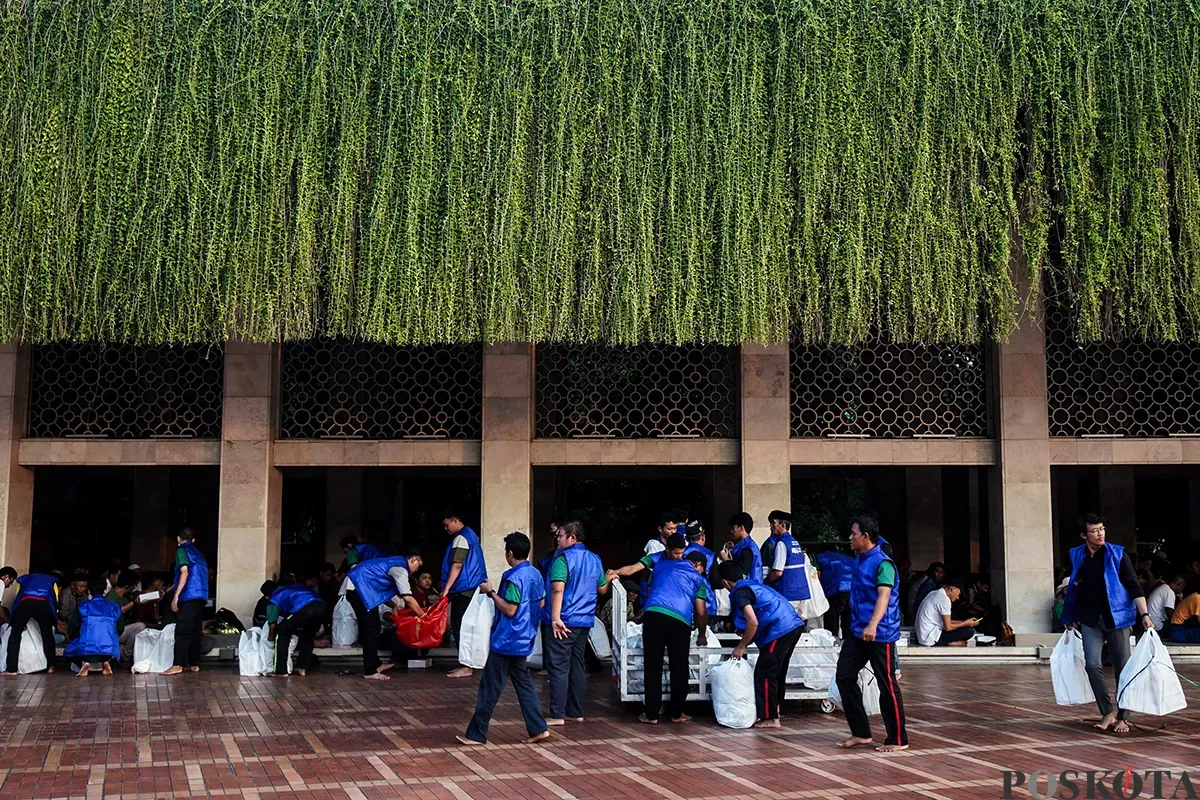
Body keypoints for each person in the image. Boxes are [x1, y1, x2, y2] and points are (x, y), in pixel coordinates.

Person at [1060, 512, 1153, 734]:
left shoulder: (1117, 554)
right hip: (1091, 618)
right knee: (1092, 664)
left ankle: (1124, 716)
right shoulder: (1077, 555)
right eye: (1095, 530)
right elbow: (1075, 586)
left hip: (1118, 617)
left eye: (1102, 529)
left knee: (1123, 667)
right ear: (1084, 535)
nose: (1100, 533)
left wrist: (1145, 615)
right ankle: (1107, 711)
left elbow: (1133, 586)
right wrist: (1070, 615)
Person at [456, 532, 550, 746]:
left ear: (510, 553)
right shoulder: (535, 574)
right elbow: (541, 603)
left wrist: (490, 593)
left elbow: (509, 610)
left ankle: (476, 734)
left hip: (507, 640)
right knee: (524, 685)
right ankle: (538, 728)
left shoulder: (513, 577)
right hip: (524, 638)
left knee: (490, 688)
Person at [611, 544, 708, 725]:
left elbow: (650, 592)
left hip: (653, 615)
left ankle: (651, 715)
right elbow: (701, 611)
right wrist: (702, 633)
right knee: (679, 666)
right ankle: (677, 714)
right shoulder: (697, 578)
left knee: (652, 665)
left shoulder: (660, 566)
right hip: (680, 621)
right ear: (697, 565)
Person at [835, 515, 908, 752]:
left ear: (866, 536)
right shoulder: (859, 560)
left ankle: (898, 739)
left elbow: (884, 596)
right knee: (844, 676)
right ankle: (861, 733)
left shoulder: (883, 563)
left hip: (880, 633)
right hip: (858, 631)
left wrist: (873, 624)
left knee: (886, 683)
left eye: (853, 534)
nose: (850, 538)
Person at [719, 560, 805, 727]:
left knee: (765, 673)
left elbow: (753, 622)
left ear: (725, 582)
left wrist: (741, 647)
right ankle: (776, 709)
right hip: (792, 625)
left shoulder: (739, 592)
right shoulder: (752, 585)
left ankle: (770, 717)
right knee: (777, 671)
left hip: (779, 629)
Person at [543, 520, 609, 726]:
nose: (558, 539)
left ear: (572, 537)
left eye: (560, 535)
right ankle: (575, 711)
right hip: (584, 621)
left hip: (564, 620)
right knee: (577, 665)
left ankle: (556, 714)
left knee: (559, 667)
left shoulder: (563, 558)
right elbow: (602, 589)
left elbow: (557, 589)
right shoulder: (594, 559)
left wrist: (555, 618)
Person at [344, 549, 425, 680]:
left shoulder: (393, 563)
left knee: (374, 626)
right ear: (414, 559)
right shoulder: (400, 568)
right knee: (371, 629)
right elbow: (408, 597)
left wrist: (393, 605)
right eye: (418, 566)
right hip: (358, 587)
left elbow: (378, 590)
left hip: (361, 587)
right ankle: (370, 671)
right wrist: (423, 615)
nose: (417, 570)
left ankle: (376, 664)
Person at [441, 509, 489, 679]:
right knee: (465, 626)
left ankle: (466, 665)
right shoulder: (472, 536)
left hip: (464, 588)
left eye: (447, 525)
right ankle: (465, 663)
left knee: (461, 626)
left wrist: (446, 588)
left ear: (455, 520)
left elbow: (457, 564)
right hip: (471, 587)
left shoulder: (461, 538)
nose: (446, 529)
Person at [164, 528, 210, 676]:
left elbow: (184, 572)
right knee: (195, 629)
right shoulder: (199, 554)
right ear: (193, 540)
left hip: (188, 594)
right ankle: (193, 663)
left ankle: (178, 664)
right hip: (201, 595)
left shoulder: (181, 550)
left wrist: (176, 595)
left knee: (183, 629)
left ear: (178, 539)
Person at [0, 567, 58, 675]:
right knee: (47, 635)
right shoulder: (51, 580)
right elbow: (54, 598)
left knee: (15, 635)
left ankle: (11, 669)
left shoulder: (24, 578)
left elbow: (18, 595)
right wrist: (54, 617)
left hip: (25, 603)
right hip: (43, 604)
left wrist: (15, 617)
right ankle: (51, 666)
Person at [265, 580, 327, 677]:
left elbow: (272, 623)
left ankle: (280, 671)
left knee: (281, 631)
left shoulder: (275, 596)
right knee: (308, 634)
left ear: (266, 596)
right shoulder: (292, 587)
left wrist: (271, 636)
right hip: (321, 606)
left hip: (304, 607)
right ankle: (302, 668)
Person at [65, 577, 122, 677]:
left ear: (89, 591)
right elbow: (121, 628)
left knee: (70, 651)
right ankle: (105, 662)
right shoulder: (114, 607)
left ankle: (85, 663)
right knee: (110, 649)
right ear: (105, 591)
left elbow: (72, 629)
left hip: (86, 651)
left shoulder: (82, 606)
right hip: (108, 651)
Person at [762, 510, 811, 611]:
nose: (770, 526)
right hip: (801, 592)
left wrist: (765, 581)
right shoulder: (794, 542)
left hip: (788, 592)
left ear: (782, 525)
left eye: (773, 523)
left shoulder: (781, 543)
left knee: (786, 624)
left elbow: (778, 572)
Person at [914, 582, 979, 647]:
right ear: (953, 589)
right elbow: (948, 627)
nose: (958, 598)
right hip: (930, 638)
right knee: (969, 631)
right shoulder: (944, 599)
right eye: (958, 594)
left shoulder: (934, 593)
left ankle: (949, 641)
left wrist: (966, 621)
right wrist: (966, 623)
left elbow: (946, 621)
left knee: (965, 627)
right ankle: (947, 642)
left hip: (923, 636)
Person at [683, 523, 720, 621]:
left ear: (686, 538)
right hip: (706, 605)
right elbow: (716, 582)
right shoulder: (710, 555)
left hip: (684, 605)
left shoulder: (679, 554)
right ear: (703, 537)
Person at [108, 570, 146, 662]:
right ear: (127, 586)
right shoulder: (111, 596)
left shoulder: (125, 597)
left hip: (119, 630)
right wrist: (134, 603)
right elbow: (116, 612)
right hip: (111, 633)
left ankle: (122, 651)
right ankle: (125, 654)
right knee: (141, 626)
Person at [816, 549, 854, 638]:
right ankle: (847, 641)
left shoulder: (821, 558)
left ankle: (831, 640)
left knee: (831, 617)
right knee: (847, 618)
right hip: (851, 588)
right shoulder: (848, 558)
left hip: (837, 588)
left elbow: (817, 575)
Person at [718, 512, 762, 584]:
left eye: (733, 528)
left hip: (750, 589)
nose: (731, 531)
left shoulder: (748, 550)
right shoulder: (747, 545)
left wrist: (726, 560)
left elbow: (739, 574)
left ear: (741, 528)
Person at [57, 572, 91, 643]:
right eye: (80, 586)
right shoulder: (66, 594)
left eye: (85, 587)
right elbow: (63, 613)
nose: (83, 589)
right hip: (65, 623)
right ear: (73, 585)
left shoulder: (84, 596)